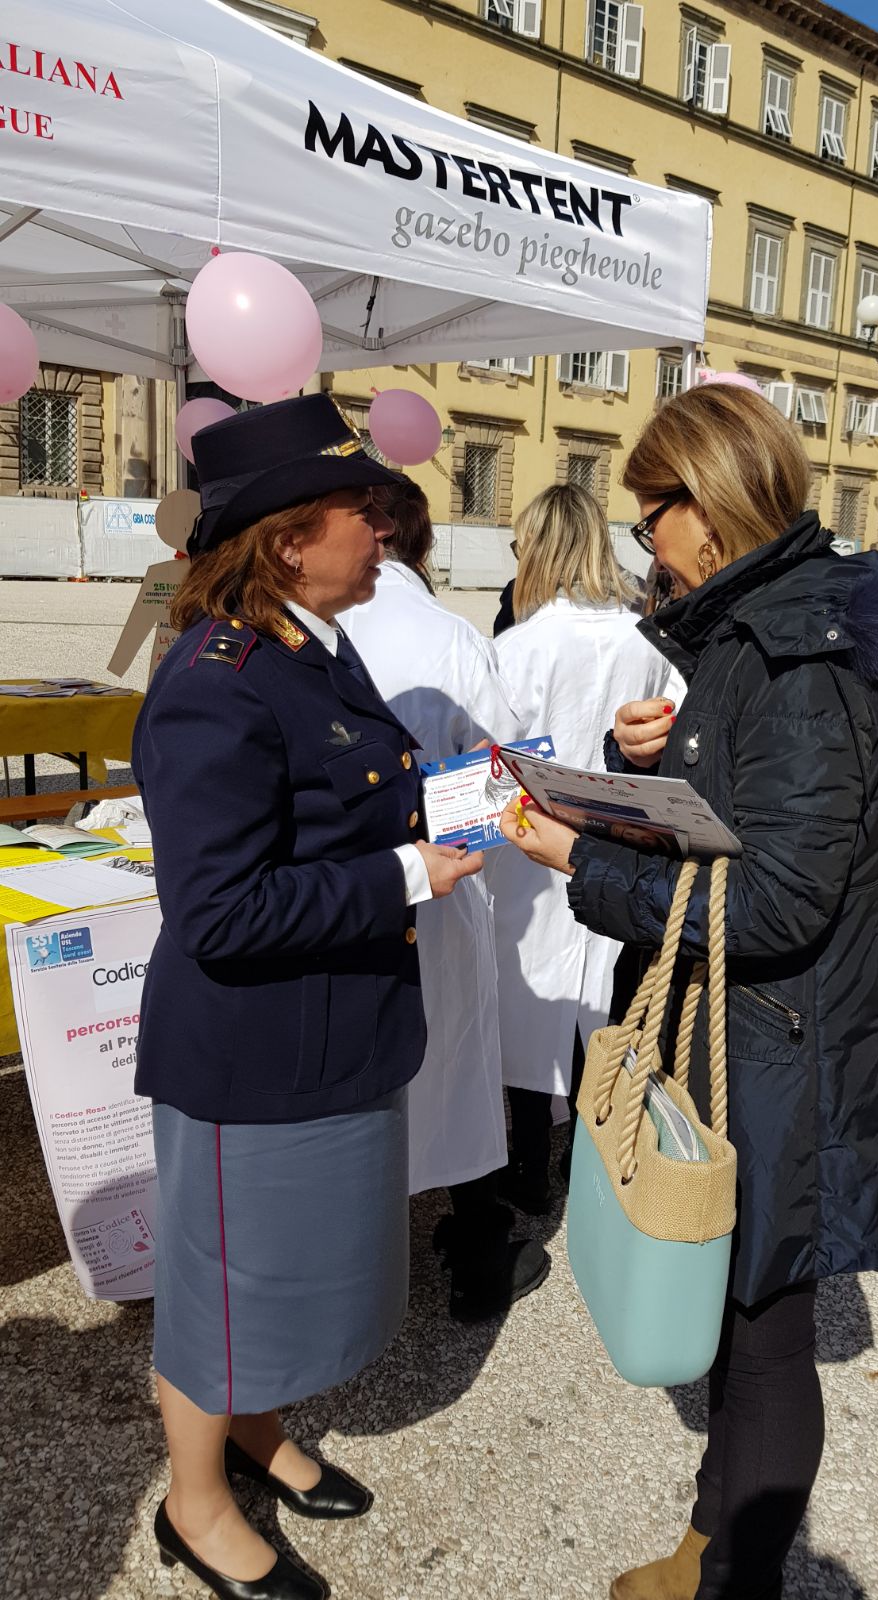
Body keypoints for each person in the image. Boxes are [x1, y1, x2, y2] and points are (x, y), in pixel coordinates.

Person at [498, 384, 878, 1600]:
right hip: (754, 1037)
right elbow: (732, 831)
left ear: (704, 507)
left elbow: (772, 905)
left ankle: (733, 1584)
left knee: (763, 1342)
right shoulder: (749, 623)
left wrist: (580, 860)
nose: (641, 541)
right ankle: (711, 1550)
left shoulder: (799, 656)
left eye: (649, 513)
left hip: (784, 1049)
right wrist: (638, 764)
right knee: (739, 1327)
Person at [134, 396, 483, 1600]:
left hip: (326, 1033)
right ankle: (195, 1502)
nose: (386, 530)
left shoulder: (308, 644)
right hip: (247, 1056)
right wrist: (404, 873)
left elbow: (345, 799)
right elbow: (220, 910)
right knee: (223, 1289)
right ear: (289, 537)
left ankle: (252, 1427)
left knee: (275, 1277)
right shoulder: (215, 679)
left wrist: (457, 807)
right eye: (365, 511)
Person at [341, 477, 551, 1318]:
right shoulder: (447, 636)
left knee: (364, 1078)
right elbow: (504, 771)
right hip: (442, 882)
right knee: (457, 1069)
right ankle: (475, 1257)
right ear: (417, 544)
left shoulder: (308, 629)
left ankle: (356, 1262)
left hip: (339, 894)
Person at [487, 483, 680, 1214]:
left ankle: (532, 1164)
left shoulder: (519, 647)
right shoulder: (647, 638)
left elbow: (492, 755)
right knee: (602, 994)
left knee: (530, 999)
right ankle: (591, 1157)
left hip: (533, 842)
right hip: (619, 837)